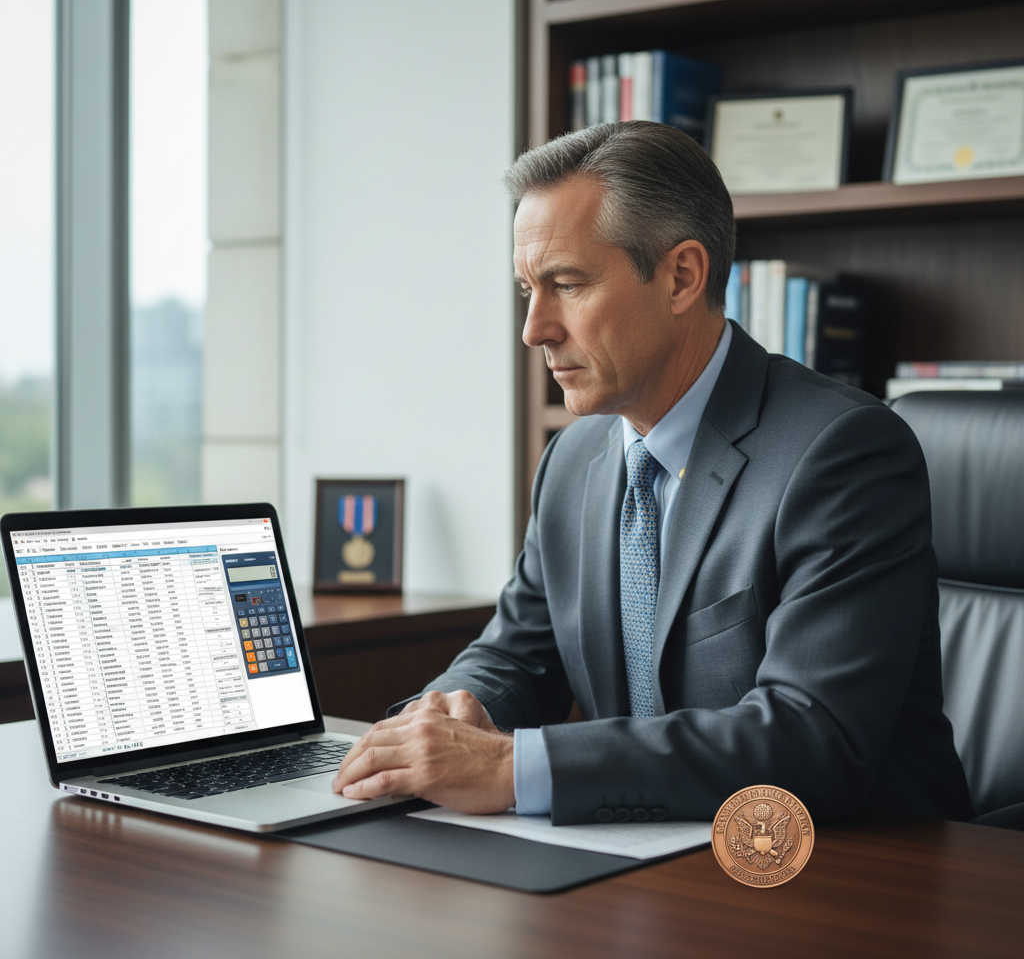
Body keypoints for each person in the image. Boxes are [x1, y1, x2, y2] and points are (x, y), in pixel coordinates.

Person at [333, 121, 973, 825]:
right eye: (527, 290)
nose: (535, 329)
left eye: (567, 284)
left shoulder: (842, 453)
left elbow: (809, 738)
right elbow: (518, 654)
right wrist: (449, 713)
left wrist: (513, 767)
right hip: (646, 866)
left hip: (847, 878)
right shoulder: (573, 460)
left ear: (681, 277)